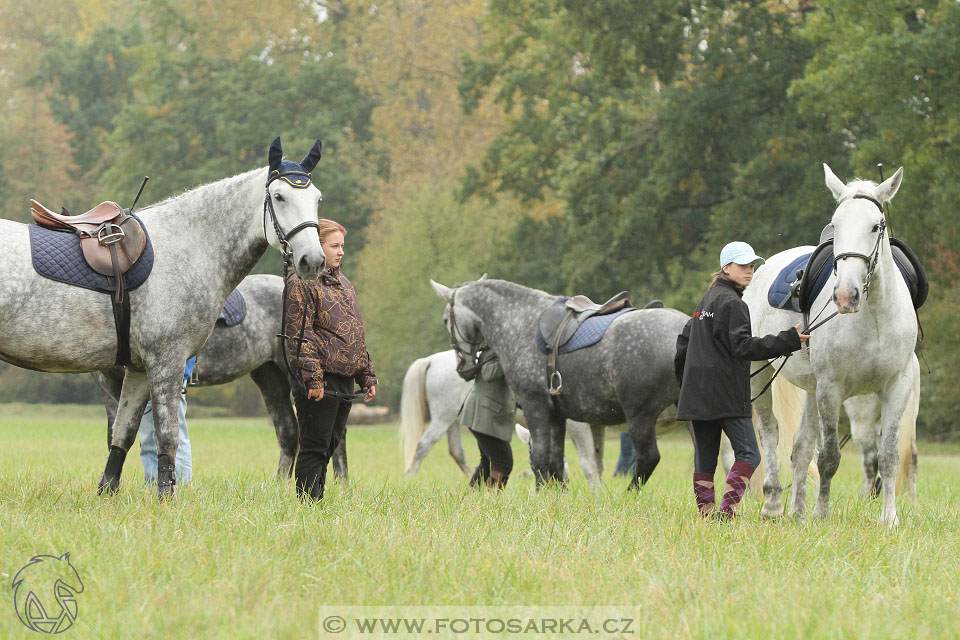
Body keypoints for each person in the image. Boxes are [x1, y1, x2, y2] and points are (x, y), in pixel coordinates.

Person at [674, 241, 809, 520]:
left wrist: (687, 384)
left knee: (706, 457)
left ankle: (706, 513)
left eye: (751, 266)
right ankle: (727, 511)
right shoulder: (734, 303)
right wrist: (789, 340)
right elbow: (743, 348)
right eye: (743, 266)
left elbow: (682, 345)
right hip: (726, 395)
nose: (750, 271)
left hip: (697, 395)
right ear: (726, 268)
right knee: (749, 454)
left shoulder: (706, 301)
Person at [284, 219, 377, 501]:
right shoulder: (301, 283)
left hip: (345, 378)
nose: (341, 252)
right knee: (314, 445)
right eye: (334, 246)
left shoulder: (343, 282)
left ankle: (316, 499)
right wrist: (313, 378)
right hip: (319, 379)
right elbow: (299, 337)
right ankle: (308, 506)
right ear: (317, 247)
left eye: (342, 246)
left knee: (331, 442)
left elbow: (354, 332)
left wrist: (366, 375)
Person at [457, 347, 516, 490]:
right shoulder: (496, 350)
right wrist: (510, 355)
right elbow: (489, 373)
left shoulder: (499, 349)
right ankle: (491, 500)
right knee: (504, 463)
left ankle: (475, 498)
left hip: (484, 414)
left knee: (487, 461)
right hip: (484, 415)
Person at [139, 356, 196, 485]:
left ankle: (182, 483)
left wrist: (181, 377)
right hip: (143, 375)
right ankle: (153, 483)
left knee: (175, 433)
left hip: (173, 375)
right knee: (147, 436)